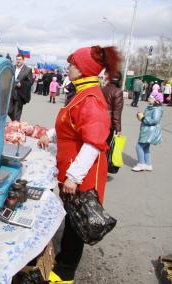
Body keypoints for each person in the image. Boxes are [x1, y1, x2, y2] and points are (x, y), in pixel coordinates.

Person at [38, 45, 120, 283]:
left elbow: (93, 142)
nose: (69, 67)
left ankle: (65, 273)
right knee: (70, 218)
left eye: (73, 64)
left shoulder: (92, 98)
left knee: (76, 224)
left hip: (83, 173)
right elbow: (70, 123)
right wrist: (51, 135)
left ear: (83, 69)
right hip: (72, 168)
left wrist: (74, 177)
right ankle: (63, 260)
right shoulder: (83, 93)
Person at [132, 93, 163, 172]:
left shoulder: (156, 109)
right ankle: (148, 165)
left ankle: (141, 164)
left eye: (150, 98)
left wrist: (143, 118)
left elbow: (155, 121)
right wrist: (141, 117)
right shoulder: (151, 107)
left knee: (139, 146)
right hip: (147, 130)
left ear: (156, 101)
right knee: (145, 148)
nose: (148, 99)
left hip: (149, 131)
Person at [8, 53, 33, 121]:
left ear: (23, 60)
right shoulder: (12, 67)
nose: (18, 61)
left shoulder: (28, 70)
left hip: (20, 94)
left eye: (20, 59)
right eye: (17, 59)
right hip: (10, 94)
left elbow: (30, 82)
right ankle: (14, 122)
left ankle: (16, 126)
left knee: (17, 114)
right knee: (8, 111)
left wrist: (21, 84)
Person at [102, 71, 124, 143]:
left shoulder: (102, 89)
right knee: (105, 146)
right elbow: (116, 113)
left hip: (99, 120)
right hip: (109, 124)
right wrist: (118, 129)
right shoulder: (118, 92)